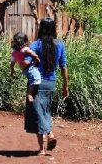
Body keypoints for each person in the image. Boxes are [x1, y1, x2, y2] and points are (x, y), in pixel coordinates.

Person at [24, 18, 69, 156]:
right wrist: (65, 86)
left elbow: (26, 62)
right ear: (53, 29)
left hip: (36, 84)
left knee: (37, 114)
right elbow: (63, 67)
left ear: (41, 29)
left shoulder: (36, 45)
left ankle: (45, 142)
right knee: (45, 110)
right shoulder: (60, 45)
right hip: (51, 83)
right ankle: (47, 138)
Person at [10, 32, 41, 102]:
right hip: (29, 68)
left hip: (24, 70)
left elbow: (12, 63)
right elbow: (31, 53)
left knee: (31, 79)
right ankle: (29, 94)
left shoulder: (14, 52)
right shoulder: (25, 49)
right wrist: (37, 57)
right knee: (36, 78)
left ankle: (30, 93)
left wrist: (12, 71)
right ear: (24, 41)